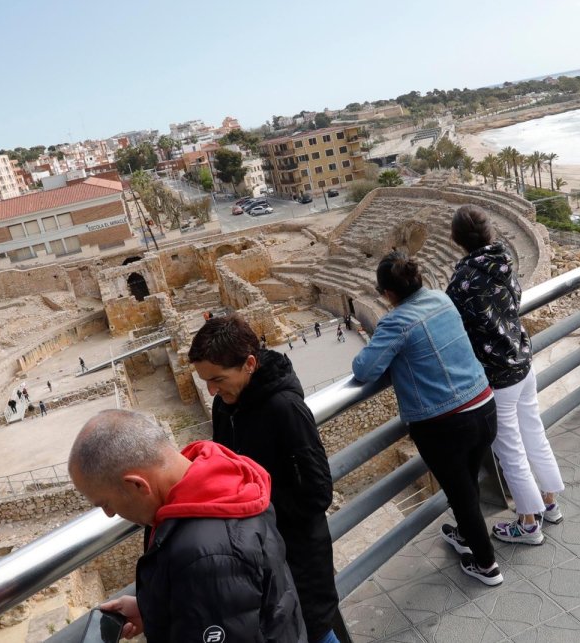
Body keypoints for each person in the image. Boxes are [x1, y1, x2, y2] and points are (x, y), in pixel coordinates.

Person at [69, 409, 307, 643]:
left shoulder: (205, 558)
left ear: (137, 485)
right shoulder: (223, 486)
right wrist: (153, 611)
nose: (110, 514)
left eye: (106, 503)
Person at [189, 316, 344, 643]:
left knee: (316, 630)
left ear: (249, 364)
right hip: (258, 551)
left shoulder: (284, 407)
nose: (212, 390)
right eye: (205, 380)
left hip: (297, 552)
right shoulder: (224, 405)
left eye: (217, 379)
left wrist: (254, 504)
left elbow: (317, 492)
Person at [352, 251, 502, 586]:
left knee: (462, 495)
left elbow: (364, 369)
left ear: (388, 294)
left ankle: (487, 565)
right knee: (467, 485)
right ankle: (467, 536)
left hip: (445, 425)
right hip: (484, 405)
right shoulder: (441, 299)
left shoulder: (396, 321)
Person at [447, 205, 565, 545]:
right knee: (534, 433)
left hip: (497, 376)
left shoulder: (463, 280)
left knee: (510, 449)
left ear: (456, 239)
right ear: (489, 233)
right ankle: (550, 502)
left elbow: (457, 325)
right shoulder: (504, 263)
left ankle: (528, 524)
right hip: (522, 362)